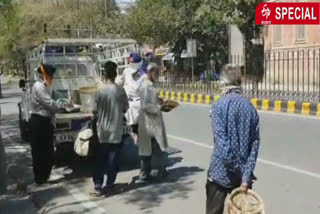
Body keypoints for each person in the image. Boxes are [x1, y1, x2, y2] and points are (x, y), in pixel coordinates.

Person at [206, 64, 260, 214]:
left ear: (223, 83)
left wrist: (241, 170)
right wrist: (246, 174)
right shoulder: (250, 108)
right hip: (242, 179)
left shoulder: (218, 106)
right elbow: (255, 145)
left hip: (219, 174)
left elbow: (223, 146)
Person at [92, 61, 129, 197]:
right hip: (116, 132)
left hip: (102, 132)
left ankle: (98, 186)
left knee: (100, 160)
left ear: (105, 74)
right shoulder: (121, 91)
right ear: (115, 74)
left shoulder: (100, 91)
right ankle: (110, 184)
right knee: (112, 159)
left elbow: (94, 110)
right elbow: (125, 108)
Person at [29, 64, 65, 185]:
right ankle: (40, 178)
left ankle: (45, 175)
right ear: (44, 75)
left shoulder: (45, 85)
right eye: (50, 76)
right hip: (38, 121)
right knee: (39, 151)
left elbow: (54, 95)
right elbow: (48, 103)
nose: (51, 78)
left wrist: (63, 99)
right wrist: (62, 106)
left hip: (46, 121)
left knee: (48, 150)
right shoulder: (39, 86)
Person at [135, 63, 168, 184]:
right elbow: (145, 105)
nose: (158, 75)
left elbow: (151, 101)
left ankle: (159, 171)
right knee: (146, 150)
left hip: (154, 122)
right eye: (156, 73)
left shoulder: (152, 85)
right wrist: (158, 107)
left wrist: (159, 101)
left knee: (157, 148)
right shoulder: (145, 86)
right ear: (150, 72)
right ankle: (144, 174)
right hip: (147, 122)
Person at [115, 53, 144, 143]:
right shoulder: (129, 72)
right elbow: (121, 82)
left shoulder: (140, 75)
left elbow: (120, 82)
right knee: (134, 123)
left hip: (134, 103)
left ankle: (136, 136)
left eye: (131, 61)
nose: (129, 62)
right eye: (129, 60)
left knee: (134, 123)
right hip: (133, 103)